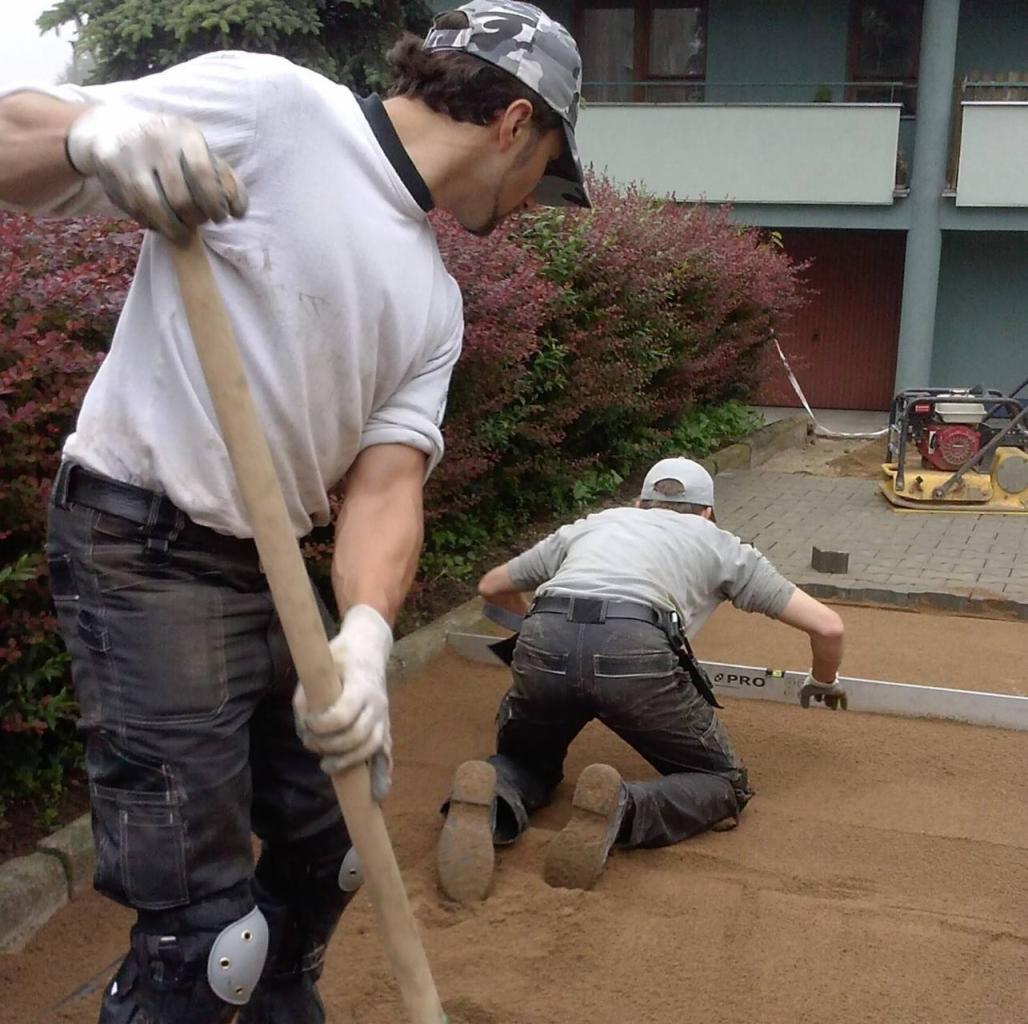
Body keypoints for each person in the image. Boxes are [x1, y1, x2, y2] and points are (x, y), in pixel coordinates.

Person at [0, 3, 588, 1021]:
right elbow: (12, 136)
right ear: (514, 124)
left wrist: (362, 634)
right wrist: (91, 134)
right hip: (141, 542)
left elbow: (385, 482)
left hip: (267, 570)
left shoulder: (430, 298)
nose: (538, 198)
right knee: (207, 943)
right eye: (548, 168)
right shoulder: (277, 110)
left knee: (337, 839)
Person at [436, 457, 846, 901]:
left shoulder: (592, 525)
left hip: (546, 631)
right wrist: (823, 684)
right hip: (633, 650)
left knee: (526, 761)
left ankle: (492, 793)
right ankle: (623, 807)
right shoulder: (720, 544)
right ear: (707, 511)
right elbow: (828, 627)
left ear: (639, 503)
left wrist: (536, 644)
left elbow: (493, 585)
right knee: (723, 783)